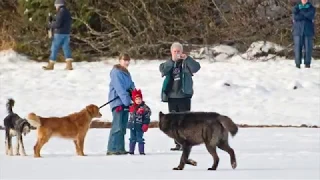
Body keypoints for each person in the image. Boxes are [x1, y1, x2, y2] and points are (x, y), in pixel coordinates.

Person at [159, 42, 201, 151]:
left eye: (179, 51)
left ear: (182, 52)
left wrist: (187, 59)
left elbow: (196, 67)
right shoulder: (168, 64)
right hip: (172, 96)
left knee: (186, 121)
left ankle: (186, 143)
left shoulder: (186, 63)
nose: (177, 53)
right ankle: (178, 143)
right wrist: (172, 61)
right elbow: (162, 69)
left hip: (184, 95)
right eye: (175, 51)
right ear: (171, 52)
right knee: (173, 122)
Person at [106, 53, 135, 155]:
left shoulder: (127, 73)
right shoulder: (116, 72)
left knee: (123, 126)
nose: (126, 62)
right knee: (117, 125)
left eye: (128, 60)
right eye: (124, 60)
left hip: (126, 102)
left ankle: (120, 148)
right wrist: (127, 101)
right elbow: (120, 88)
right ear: (120, 60)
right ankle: (112, 148)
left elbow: (131, 85)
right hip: (118, 102)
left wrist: (134, 95)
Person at [43, 0, 73, 70]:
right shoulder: (67, 12)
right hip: (66, 33)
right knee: (66, 48)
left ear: (58, 5)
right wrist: (54, 20)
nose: (55, 8)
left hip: (59, 33)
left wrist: (50, 25)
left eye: (56, 6)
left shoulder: (61, 12)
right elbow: (63, 21)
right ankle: (69, 65)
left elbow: (58, 24)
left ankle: (51, 65)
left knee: (54, 48)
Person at [127, 89, 151, 155]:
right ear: (134, 100)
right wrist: (120, 108)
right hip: (132, 125)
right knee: (132, 138)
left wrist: (145, 124)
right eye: (136, 99)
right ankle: (131, 151)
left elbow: (147, 116)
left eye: (139, 99)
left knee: (140, 138)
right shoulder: (132, 107)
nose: (138, 101)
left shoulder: (145, 108)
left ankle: (141, 151)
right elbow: (126, 109)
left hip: (140, 126)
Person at [292, 0, 316, 69]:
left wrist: (300, 13)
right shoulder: (296, 7)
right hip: (297, 31)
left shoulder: (312, 7)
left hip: (308, 31)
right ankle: (297, 64)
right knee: (297, 48)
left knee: (308, 48)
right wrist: (305, 14)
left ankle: (307, 64)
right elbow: (295, 17)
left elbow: (310, 16)